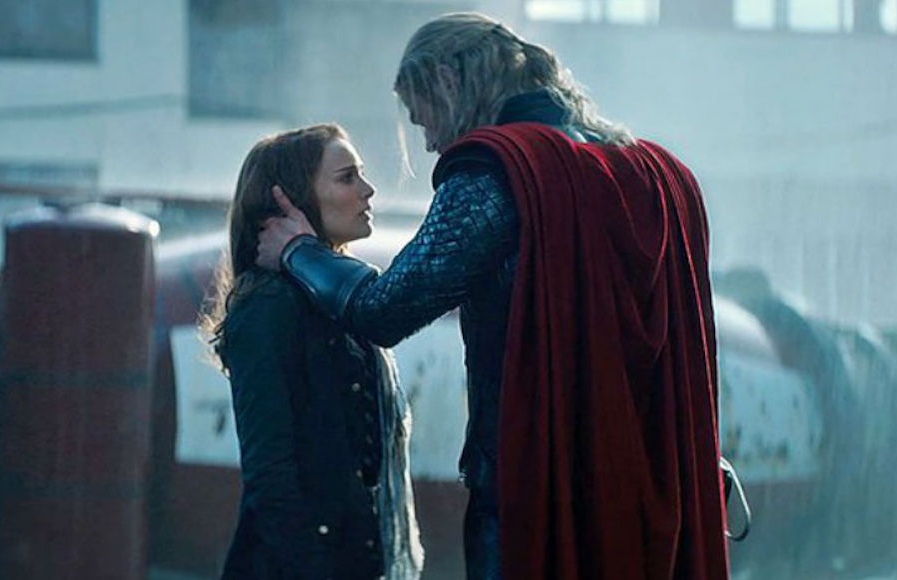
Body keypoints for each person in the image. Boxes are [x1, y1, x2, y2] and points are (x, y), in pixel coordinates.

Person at [257, 13, 730, 580]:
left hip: (538, 496)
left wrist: (298, 251)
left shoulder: (498, 173)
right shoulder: (655, 175)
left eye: (424, 116)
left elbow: (382, 311)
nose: (430, 142)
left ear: (449, 81)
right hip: (656, 491)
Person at [202, 124, 423, 580]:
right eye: (347, 178)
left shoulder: (337, 296)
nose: (368, 190)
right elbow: (270, 475)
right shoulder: (269, 306)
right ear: (294, 201)